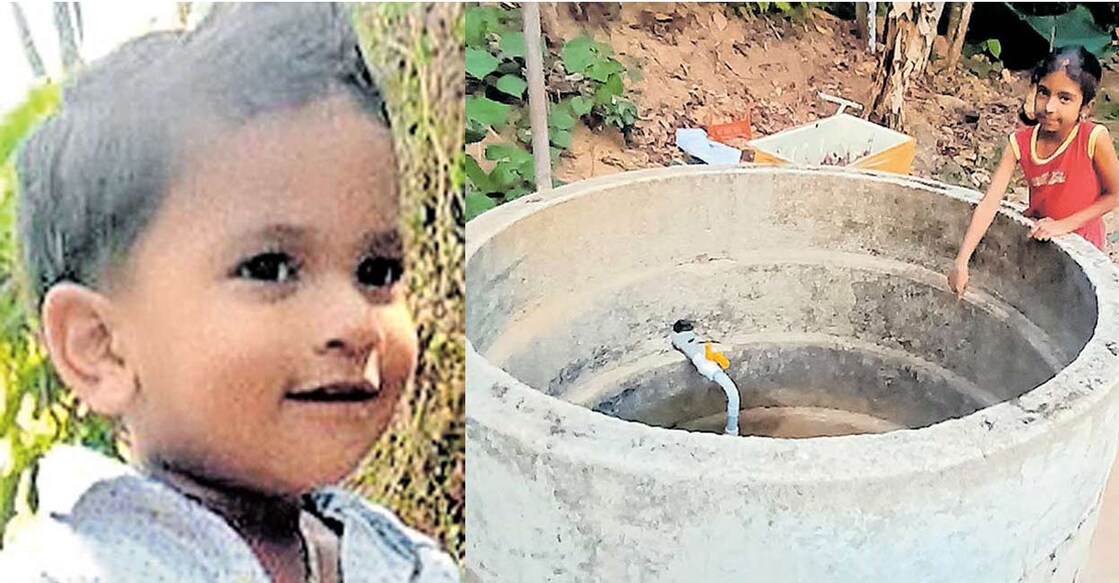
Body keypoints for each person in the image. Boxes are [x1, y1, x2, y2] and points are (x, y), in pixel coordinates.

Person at [0, 4, 459, 582]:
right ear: (103, 347)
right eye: (269, 268)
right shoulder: (72, 572)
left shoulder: (406, 565)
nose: (356, 321)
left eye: (376, 271)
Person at [949, 45, 1119, 297]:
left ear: (1086, 107)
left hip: (1082, 242)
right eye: (1043, 92)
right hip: (1040, 237)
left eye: (1065, 98)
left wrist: (1064, 225)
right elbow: (989, 204)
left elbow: (1115, 194)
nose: (1049, 107)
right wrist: (961, 261)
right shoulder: (1019, 143)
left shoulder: (1093, 138)